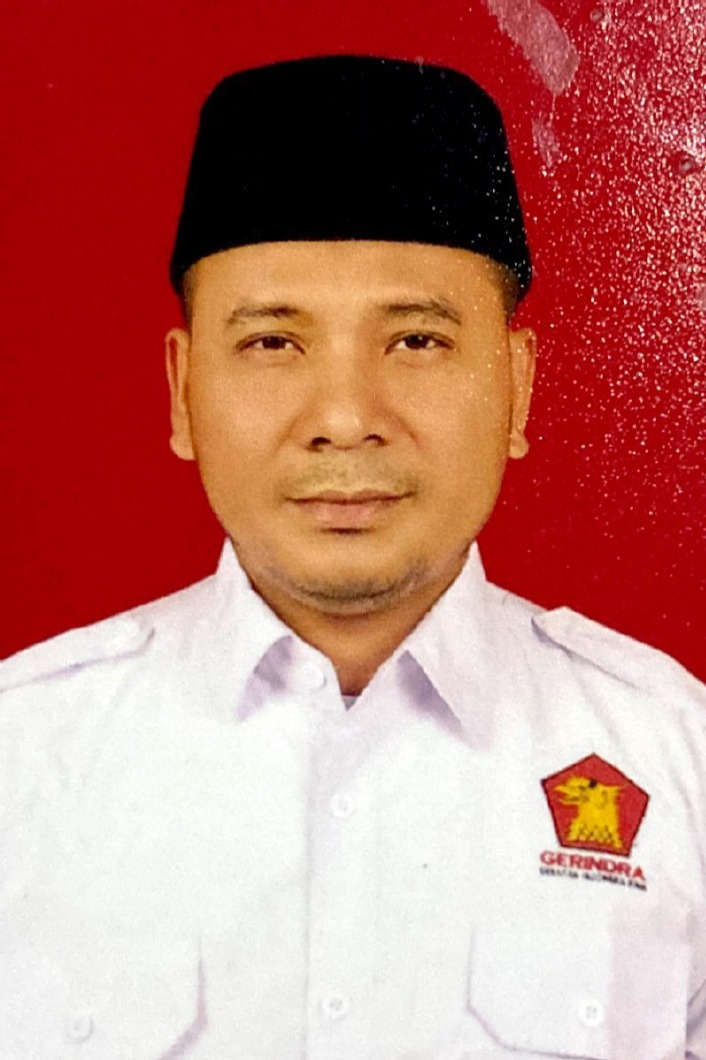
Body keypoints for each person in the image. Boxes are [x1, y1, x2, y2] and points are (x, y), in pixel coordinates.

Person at [1, 54, 704, 1060]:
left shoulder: (678, 760)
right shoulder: (22, 757)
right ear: (181, 389)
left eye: (415, 341)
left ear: (516, 386)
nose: (343, 417)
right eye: (272, 344)